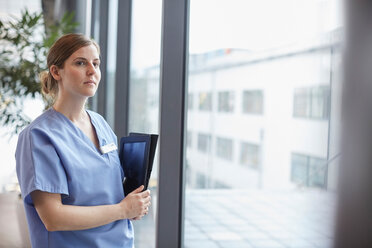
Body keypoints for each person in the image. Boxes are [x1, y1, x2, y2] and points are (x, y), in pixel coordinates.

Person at [15, 33, 151, 248]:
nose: (92, 71)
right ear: (56, 71)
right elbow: (53, 217)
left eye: (96, 64)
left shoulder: (100, 123)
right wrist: (123, 210)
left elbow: (108, 189)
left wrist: (133, 203)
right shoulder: (39, 136)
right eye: (80, 63)